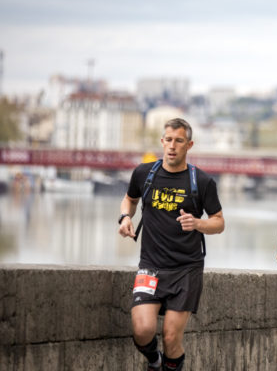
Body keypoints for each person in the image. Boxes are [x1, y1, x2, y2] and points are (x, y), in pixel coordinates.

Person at [118, 118, 225, 371]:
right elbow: (129, 199)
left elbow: (219, 223)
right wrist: (125, 217)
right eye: (168, 140)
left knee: (170, 337)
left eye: (179, 141)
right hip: (151, 266)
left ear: (189, 144)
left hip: (186, 269)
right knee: (143, 330)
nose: (172, 146)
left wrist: (198, 224)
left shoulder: (202, 181)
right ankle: (154, 361)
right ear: (162, 142)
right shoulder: (144, 173)